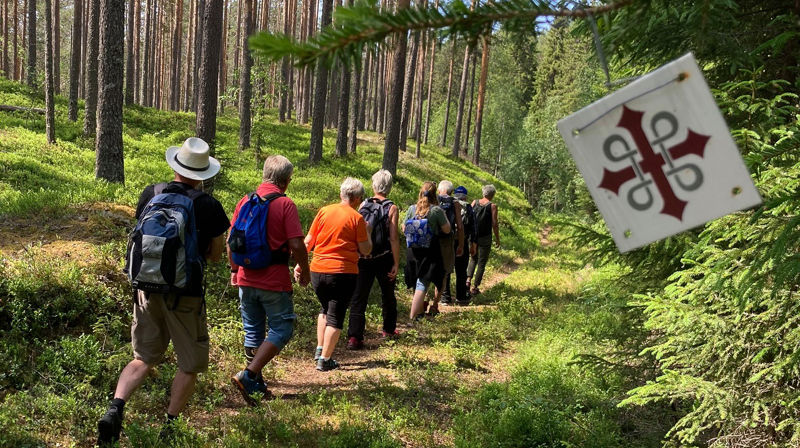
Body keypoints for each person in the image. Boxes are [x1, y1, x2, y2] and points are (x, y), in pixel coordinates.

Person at [98, 138, 230, 445]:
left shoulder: (151, 193)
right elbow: (214, 255)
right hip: (185, 296)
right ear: (202, 174)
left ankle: (115, 408)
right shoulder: (207, 204)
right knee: (189, 364)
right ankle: (169, 428)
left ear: (176, 166)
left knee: (142, 358)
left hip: (145, 289)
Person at [228, 155, 310, 405]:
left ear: (265, 175)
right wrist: (304, 270)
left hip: (245, 278)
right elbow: (296, 243)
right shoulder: (285, 204)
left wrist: (234, 270)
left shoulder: (245, 201)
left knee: (253, 332)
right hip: (273, 279)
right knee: (282, 328)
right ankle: (250, 374)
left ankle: (256, 386)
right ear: (286, 181)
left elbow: (232, 239)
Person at [299, 177, 371, 371]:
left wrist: (300, 264)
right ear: (357, 199)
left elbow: (308, 241)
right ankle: (325, 359)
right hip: (342, 273)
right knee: (336, 316)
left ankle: (320, 348)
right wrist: (367, 232)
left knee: (324, 308)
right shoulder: (357, 219)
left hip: (317, 269)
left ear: (342, 194)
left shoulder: (324, 211)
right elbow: (365, 250)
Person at [347, 170, 400, 350]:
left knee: (359, 296)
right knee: (388, 294)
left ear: (373, 185)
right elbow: (393, 238)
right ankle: (389, 329)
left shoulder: (363, 204)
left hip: (363, 257)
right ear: (389, 187)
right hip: (383, 257)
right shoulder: (391, 208)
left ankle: (354, 337)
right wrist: (396, 262)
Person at [404, 181, 451, 319]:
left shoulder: (412, 209)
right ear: (434, 193)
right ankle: (413, 317)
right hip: (429, 251)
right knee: (422, 283)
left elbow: (403, 228)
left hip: (413, 251)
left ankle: (419, 314)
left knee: (416, 281)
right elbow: (447, 229)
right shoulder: (436, 210)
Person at [444, 186, 477, 305]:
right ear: (465, 196)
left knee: (447, 269)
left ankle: (445, 297)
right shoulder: (467, 206)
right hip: (462, 241)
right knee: (461, 270)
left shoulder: (449, 204)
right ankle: (461, 296)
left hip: (448, 241)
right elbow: (473, 226)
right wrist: (473, 243)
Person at [467, 184, 500, 297]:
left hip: (473, 237)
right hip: (485, 237)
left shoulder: (474, 202)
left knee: (473, 259)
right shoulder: (492, 206)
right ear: (492, 195)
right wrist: (497, 238)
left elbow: (468, 217)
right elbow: (494, 224)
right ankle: (475, 287)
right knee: (481, 262)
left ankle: (467, 280)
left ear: (483, 193)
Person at [436, 180, 465, 305]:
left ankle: (434, 297)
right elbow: (460, 226)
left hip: (433, 238)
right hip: (448, 238)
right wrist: (461, 244)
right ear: (452, 191)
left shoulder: (433, 200)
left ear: (439, 190)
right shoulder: (455, 203)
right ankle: (445, 297)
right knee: (447, 267)